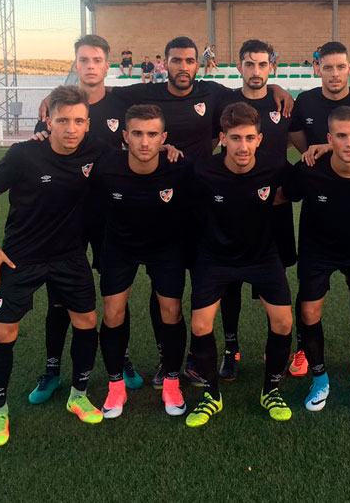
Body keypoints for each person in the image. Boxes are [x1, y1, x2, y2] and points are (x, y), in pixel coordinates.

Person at [107, 36, 293, 388]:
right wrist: (49, 103)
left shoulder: (213, 92)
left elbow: (252, 91)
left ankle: (217, 352)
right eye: (176, 60)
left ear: (198, 64)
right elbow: (101, 94)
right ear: (165, 63)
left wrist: (278, 86)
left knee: (213, 279)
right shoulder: (144, 94)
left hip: (208, 200)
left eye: (190, 60)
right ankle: (170, 359)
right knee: (167, 287)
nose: (183, 66)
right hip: (168, 202)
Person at [0, 86, 104, 447]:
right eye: (63, 120)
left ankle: (78, 394)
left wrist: (171, 149)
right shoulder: (23, 154)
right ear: (47, 121)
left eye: (79, 121)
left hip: (69, 256)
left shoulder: (95, 152)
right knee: (4, 333)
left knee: (86, 323)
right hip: (20, 257)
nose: (71, 128)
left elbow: (139, 153)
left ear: (87, 124)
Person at [30, 34, 144, 405]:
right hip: (65, 220)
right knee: (61, 298)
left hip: (112, 215)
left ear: (107, 64)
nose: (91, 65)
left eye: (97, 59)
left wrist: (274, 86)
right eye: (84, 59)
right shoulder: (54, 106)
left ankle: (120, 359)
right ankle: (51, 368)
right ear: (76, 64)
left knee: (115, 296)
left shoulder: (123, 101)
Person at [186, 101, 293, 428]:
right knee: (201, 326)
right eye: (235, 138)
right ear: (222, 139)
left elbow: (302, 186)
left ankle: (271, 390)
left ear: (259, 139)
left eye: (249, 138)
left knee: (284, 323)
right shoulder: (203, 170)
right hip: (215, 257)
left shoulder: (275, 167)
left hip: (262, 256)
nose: (242, 146)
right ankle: (210, 395)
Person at [283, 106, 350, 412]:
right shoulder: (310, 167)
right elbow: (281, 192)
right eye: (340, 136)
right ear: (330, 138)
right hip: (318, 251)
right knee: (308, 313)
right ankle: (319, 379)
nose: (349, 143)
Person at [288, 40, 350, 378]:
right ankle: (304, 351)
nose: (335, 74)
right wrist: (317, 154)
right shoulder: (306, 101)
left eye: (341, 67)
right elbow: (297, 136)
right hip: (319, 202)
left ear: (348, 67)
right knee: (310, 301)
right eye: (327, 67)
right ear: (318, 69)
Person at [93, 104, 192, 419]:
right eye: (137, 133)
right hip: (120, 247)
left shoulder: (180, 168)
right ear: (125, 136)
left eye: (152, 134)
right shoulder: (106, 167)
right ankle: (115, 387)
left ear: (164, 137)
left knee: (172, 311)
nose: (145, 142)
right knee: (112, 312)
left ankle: (172, 383)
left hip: (166, 247)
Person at [215, 39, 297, 382]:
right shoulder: (223, 101)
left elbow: (303, 151)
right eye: (250, 64)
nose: (256, 71)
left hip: (273, 208)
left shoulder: (285, 104)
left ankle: (273, 346)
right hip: (233, 209)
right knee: (229, 281)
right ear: (239, 67)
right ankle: (231, 349)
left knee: (273, 281)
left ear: (271, 67)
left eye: (263, 65)